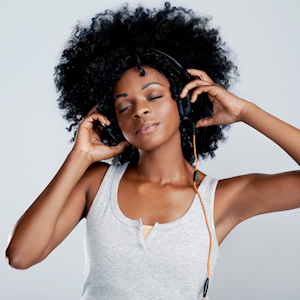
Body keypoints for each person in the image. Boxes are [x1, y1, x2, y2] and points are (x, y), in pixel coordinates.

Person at [5, 2, 300, 299]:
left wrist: (246, 111)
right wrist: (79, 157)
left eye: (154, 95)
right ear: (113, 119)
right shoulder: (96, 183)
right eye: (124, 105)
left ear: (184, 102)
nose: (140, 110)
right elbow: (20, 256)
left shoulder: (220, 199)